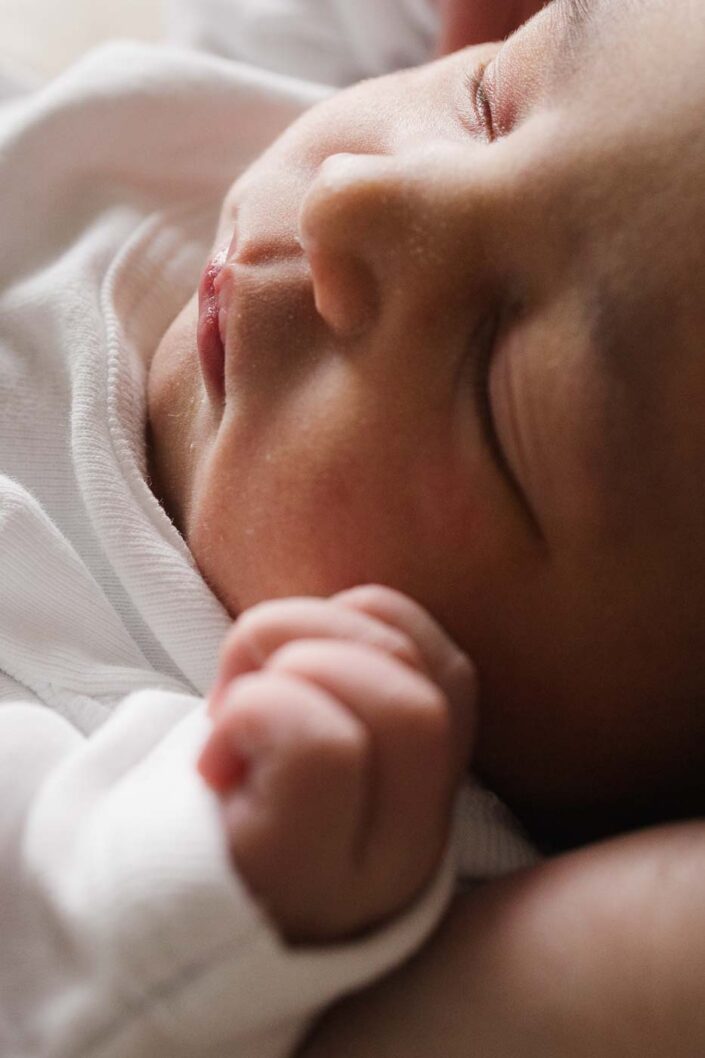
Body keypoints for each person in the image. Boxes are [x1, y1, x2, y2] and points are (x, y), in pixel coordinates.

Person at [0, 2, 703, 1057]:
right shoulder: (268, 116)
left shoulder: (285, 821)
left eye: (495, 387)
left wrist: (215, 870)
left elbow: (56, 973)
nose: (350, 199)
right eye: (492, 100)